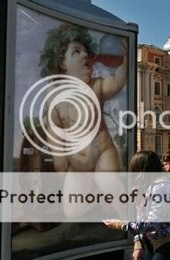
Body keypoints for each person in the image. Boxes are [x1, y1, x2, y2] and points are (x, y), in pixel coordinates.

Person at [39, 23, 127, 217]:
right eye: (76, 52)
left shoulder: (95, 86)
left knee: (112, 185)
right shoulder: (55, 97)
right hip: (78, 162)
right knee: (72, 210)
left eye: (86, 51)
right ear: (62, 64)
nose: (85, 55)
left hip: (102, 150)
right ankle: (98, 195)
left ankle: (133, 227)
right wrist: (60, 159)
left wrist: (125, 61)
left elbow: (118, 82)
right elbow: (55, 133)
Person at [104, 151, 170, 260]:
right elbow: (141, 218)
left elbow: (152, 223)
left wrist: (120, 224)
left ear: (142, 171)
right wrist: (138, 245)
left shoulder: (161, 187)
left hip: (169, 243)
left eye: (134, 169)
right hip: (153, 242)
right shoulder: (143, 187)